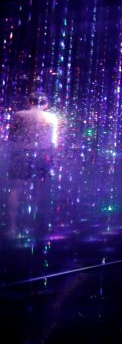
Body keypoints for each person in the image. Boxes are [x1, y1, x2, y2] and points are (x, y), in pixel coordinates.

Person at [7, 93, 58, 238]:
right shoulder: (51, 117)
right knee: (36, 190)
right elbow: (53, 142)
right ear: (46, 105)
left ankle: (12, 227)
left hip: (21, 154)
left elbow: (12, 137)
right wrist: (53, 162)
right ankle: (30, 226)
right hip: (42, 155)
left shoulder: (19, 115)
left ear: (29, 102)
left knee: (17, 189)